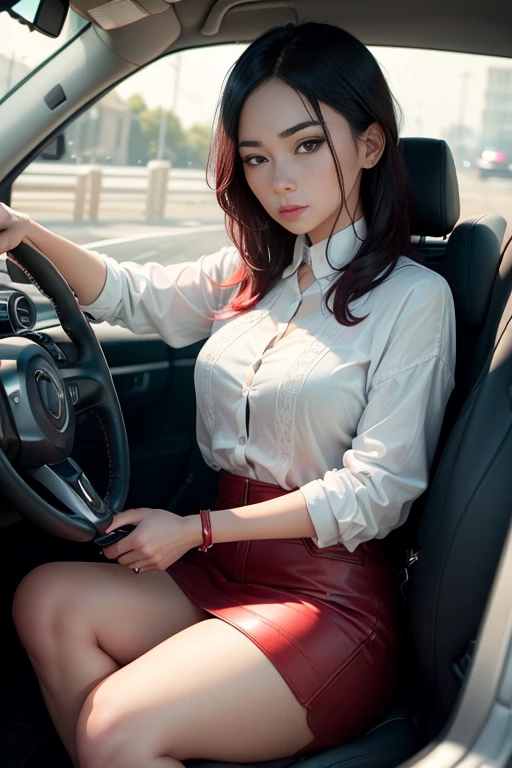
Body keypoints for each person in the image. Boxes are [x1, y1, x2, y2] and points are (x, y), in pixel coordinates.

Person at [4, 20, 456, 768]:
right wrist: (21, 234)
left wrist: (199, 529)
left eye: (307, 145)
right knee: (45, 601)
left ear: (371, 146)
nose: (281, 179)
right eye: (257, 156)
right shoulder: (255, 272)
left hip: (327, 602)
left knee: (113, 726)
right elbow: (132, 295)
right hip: (219, 573)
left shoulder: (416, 299)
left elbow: (379, 491)